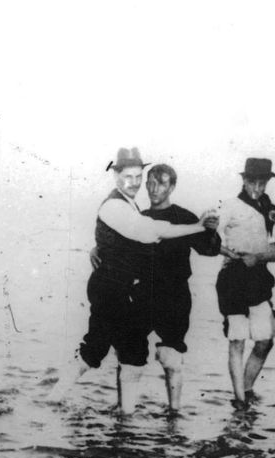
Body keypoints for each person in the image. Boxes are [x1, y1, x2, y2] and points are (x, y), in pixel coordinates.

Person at [48, 147, 217, 414]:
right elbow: (147, 232)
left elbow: (207, 247)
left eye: (140, 176)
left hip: (131, 291)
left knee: (131, 353)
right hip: (113, 290)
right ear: (116, 177)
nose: (138, 183)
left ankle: (125, 419)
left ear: (172, 186)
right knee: (99, 350)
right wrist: (199, 226)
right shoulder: (118, 204)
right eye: (131, 177)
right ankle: (54, 400)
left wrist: (98, 248)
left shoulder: (132, 205)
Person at [90, 164, 220, 411]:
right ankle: (124, 418)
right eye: (149, 182)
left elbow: (209, 249)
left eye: (160, 183)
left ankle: (174, 415)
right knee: (129, 359)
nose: (153, 188)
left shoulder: (184, 217)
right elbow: (117, 243)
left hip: (174, 296)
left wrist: (211, 230)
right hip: (141, 294)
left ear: (172, 186)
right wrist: (97, 249)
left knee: (170, 358)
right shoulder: (139, 216)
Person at [214, 158, 275, 406]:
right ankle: (239, 400)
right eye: (253, 182)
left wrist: (259, 256)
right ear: (244, 180)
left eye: (263, 184)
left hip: (259, 276)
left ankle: (247, 388)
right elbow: (205, 235)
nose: (257, 189)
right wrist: (230, 254)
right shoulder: (230, 206)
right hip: (233, 278)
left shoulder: (270, 208)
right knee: (237, 338)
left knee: (266, 339)